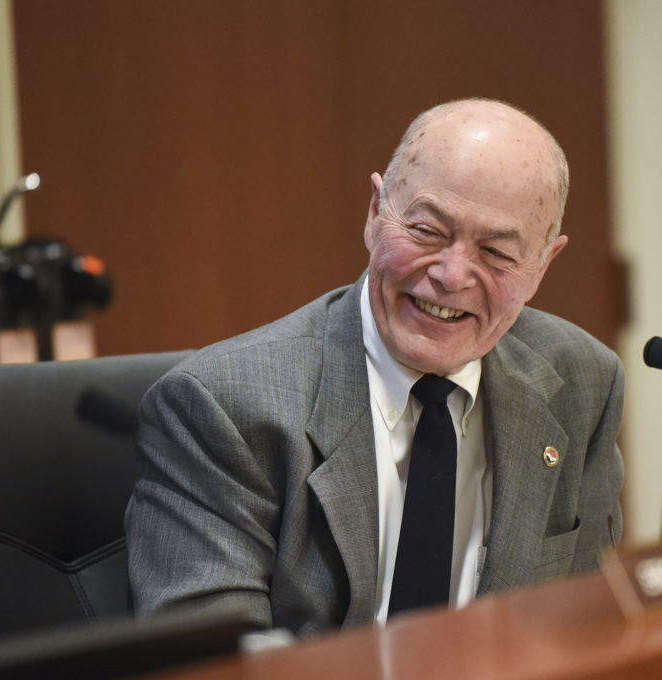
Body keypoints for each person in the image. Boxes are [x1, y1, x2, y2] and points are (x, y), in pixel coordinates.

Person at [125, 98, 624, 640]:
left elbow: (587, 623)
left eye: (497, 253)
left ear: (544, 265)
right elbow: (215, 674)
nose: (452, 275)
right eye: (427, 231)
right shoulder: (226, 407)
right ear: (374, 213)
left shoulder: (581, 380)